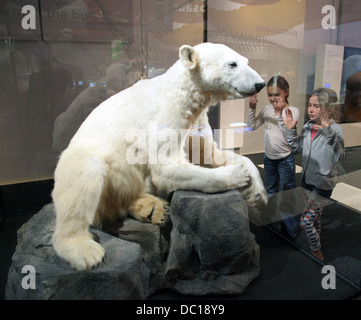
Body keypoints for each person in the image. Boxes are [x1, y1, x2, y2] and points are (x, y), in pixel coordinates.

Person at [283, 88, 345, 261]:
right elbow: (297, 149)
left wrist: (327, 132)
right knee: (315, 219)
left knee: (305, 221)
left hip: (323, 184)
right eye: (310, 105)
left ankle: (316, 250)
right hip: (307, 180)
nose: (310, 109)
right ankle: (316, 242)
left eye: (316, 106)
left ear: (328, 108)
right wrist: (290, 130)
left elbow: (339, 156)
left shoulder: (336, 130)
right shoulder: (308, 127)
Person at [248, 76, 299, 238]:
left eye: (277, 94)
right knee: (270, 190)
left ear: (286, 92)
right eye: (270, 95)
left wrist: (278, 113)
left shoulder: (293, 111)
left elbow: (289, 136)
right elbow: (251, 127)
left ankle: (289, 229)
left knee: (286, 193)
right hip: (269, 159)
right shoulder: (267, 109)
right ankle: (269, 222)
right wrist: (251, 108)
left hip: (285, 159)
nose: (273, 98)